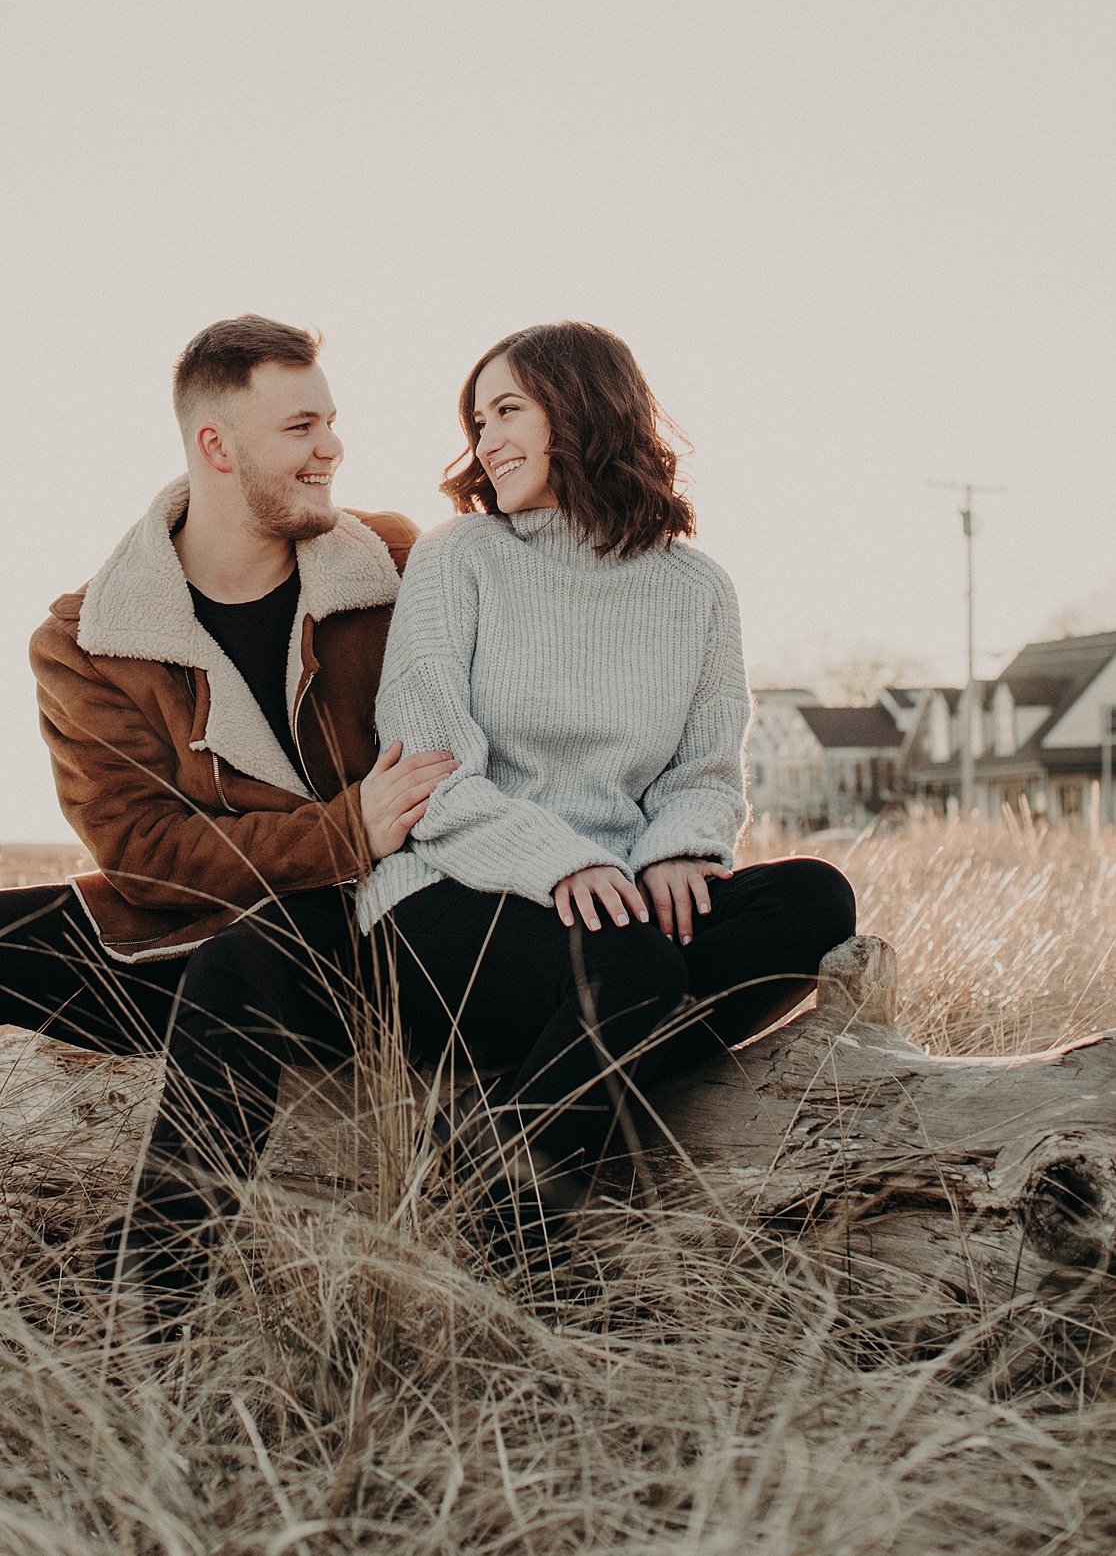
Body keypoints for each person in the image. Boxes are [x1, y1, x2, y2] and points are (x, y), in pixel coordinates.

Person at [130, 322, 855, 1296]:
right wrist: (565, 864)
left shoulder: (699, 589)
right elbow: (431, 775)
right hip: (451, 900)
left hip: (619, 910)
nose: (487, 441)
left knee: (813, 900)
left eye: (508, 410)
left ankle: (506, 1130)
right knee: (633, 962)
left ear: (587, 406)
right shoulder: (458, 557)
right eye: (477, 421)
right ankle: (505, 1199)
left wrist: (682, 851)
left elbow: (702, 770)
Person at [0, 314, 450, 1261]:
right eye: (301, 427)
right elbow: (144, 856)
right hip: (194, 941)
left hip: (376, 936)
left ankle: (152, 1288)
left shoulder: (390, 566)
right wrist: (342, 833)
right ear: (215, 446)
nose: (332, 449)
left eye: (332, 421)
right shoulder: (90, 640)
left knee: (259, 952)